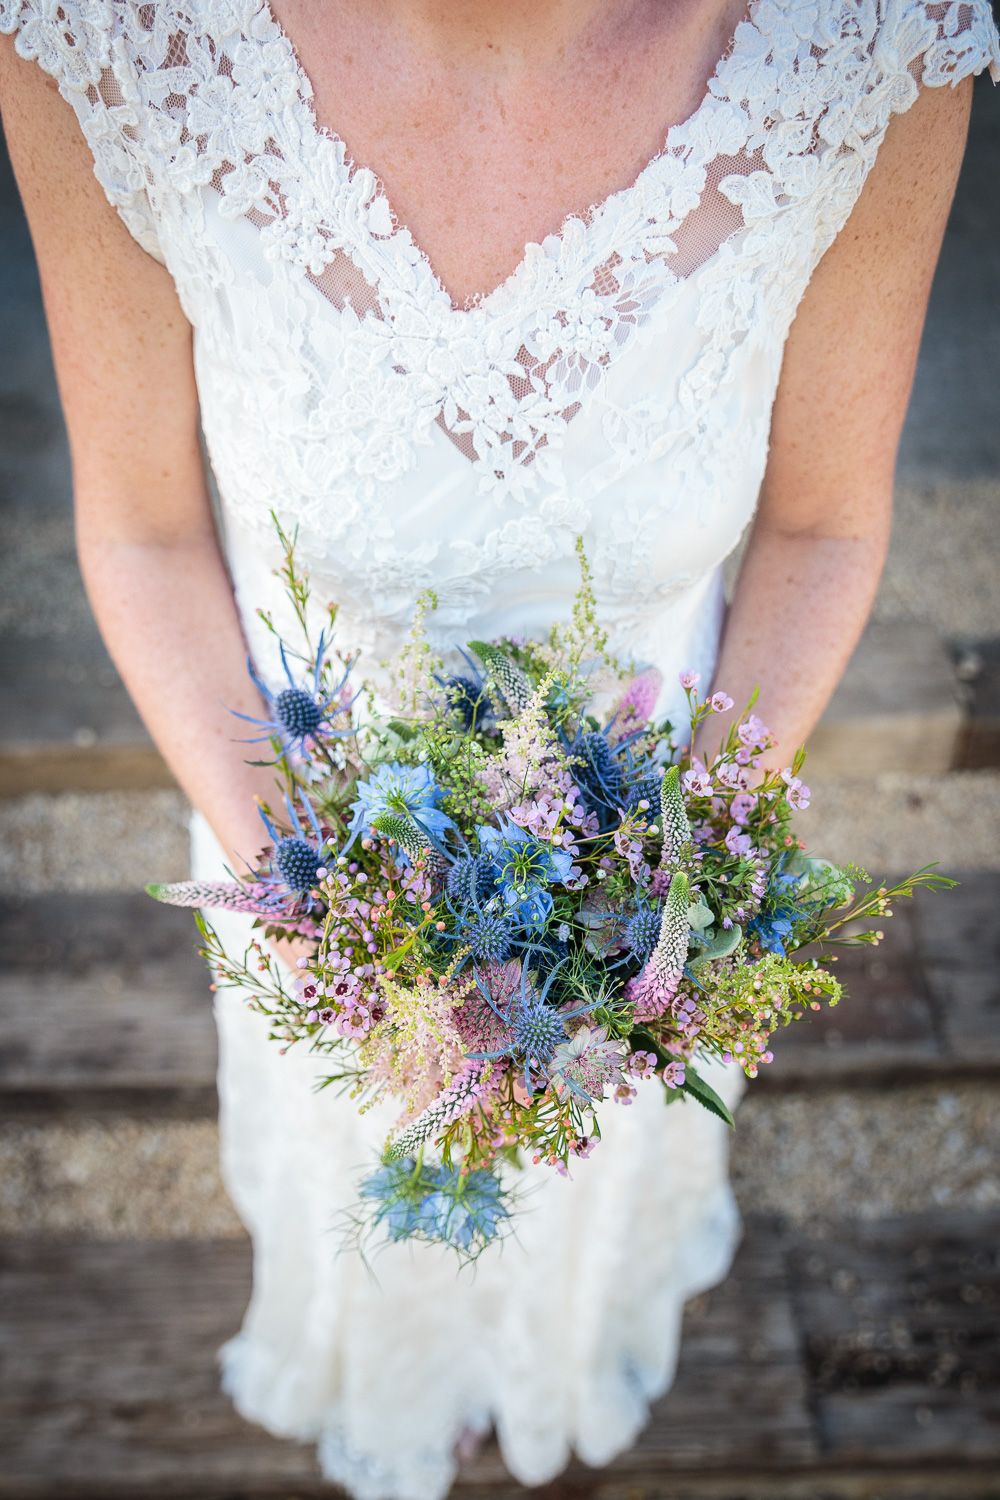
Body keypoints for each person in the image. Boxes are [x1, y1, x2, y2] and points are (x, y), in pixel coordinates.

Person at [2, 1, 998, 1495]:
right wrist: (326, 917)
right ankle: (383, 1355)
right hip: (302, 819)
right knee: (360, 1155)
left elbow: (826, 521)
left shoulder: (866, 40)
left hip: (645, 834)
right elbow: (140, 529)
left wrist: (677, 886)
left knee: (591, 1161)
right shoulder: (114, 35)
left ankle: (559, 1338)